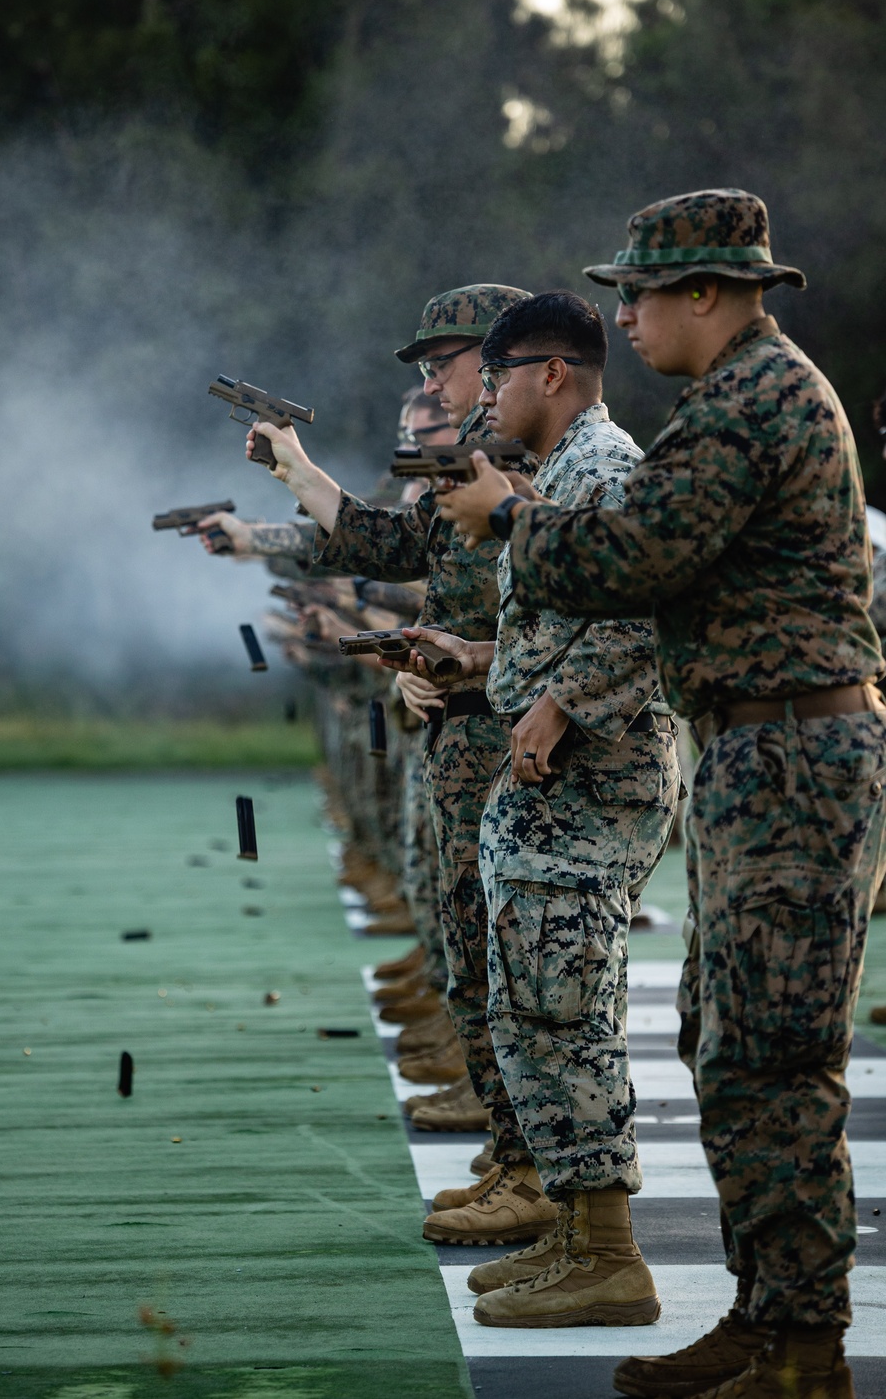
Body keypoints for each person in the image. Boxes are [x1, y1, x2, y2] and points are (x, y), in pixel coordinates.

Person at [438, 189, 886, 1399]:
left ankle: (802, 1349)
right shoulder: (733, 400)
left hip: (792, 759)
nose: (621, 316)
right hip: (762, 754)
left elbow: (629, 554)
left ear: (708, 295)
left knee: (773, 1057)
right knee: (728, 1043)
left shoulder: (753, 402)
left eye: (638, 294)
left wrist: (511, 516)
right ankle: (768, 1316)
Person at [247, 285, 575, 1196]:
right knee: (476, 961)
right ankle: (514, 1164)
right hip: (464, 739)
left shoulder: (544, 470)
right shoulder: (479, 466)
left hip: (524, 748)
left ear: (501, 357)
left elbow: (589, 615)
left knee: (523, 980)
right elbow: (389, 545)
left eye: (446, 364)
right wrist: (297, 471)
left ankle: (538, 1181)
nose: (434, 386)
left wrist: (473, 658)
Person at [404, 290, 680, 1321]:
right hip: (556, 789)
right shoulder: (569, 471)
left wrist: (558, 704)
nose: (487, 392)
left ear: (549, 374)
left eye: (500, 371)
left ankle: (609, 1255)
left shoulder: (602, 469)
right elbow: (572, 619)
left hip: (593, 784)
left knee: (565, 1013)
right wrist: (485, 660)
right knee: (534, 1011)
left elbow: (644, 607)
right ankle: (571, 1233)